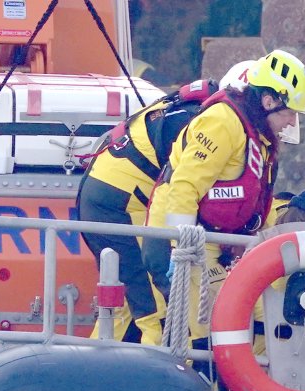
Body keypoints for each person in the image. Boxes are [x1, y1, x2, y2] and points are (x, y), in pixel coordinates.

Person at [144, 49, 305, 344]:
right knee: (207, 334)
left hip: (212, 242)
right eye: (290, 112)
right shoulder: (223, 122)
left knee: (236, 323)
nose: (292, 122)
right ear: (269, 101)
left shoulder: (257, 133)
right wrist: (182, 249)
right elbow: (185, 187)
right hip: (182, 241)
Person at [76, 73, 234, 344]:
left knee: (126, 307)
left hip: (107, 196)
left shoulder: (193, 111)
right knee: (157, 314)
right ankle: (153, 382)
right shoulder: (210, 125)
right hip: (123, 206)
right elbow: (185, 190)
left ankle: (92, 378)